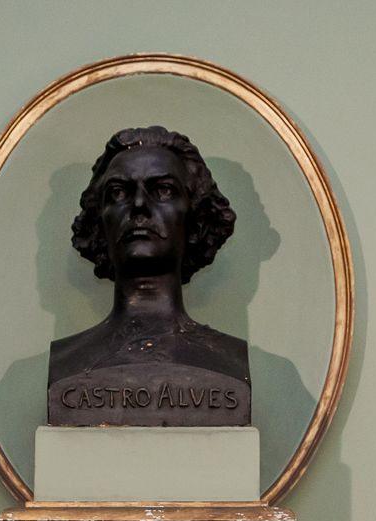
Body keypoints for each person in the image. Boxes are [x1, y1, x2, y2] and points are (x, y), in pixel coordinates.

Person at [47, 125, 251, 426]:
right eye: (118, 192)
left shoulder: (230, 362)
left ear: (195, 220)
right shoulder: (65, 362)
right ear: (99, 224)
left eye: (163, 190)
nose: (139, 206)